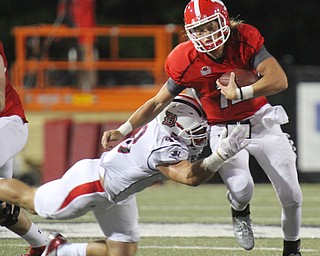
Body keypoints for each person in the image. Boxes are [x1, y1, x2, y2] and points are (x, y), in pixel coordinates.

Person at [100, 1, 303, 255]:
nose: (205, 35)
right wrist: (124, 129)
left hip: (261, 120)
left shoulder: (244, 39)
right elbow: (157, 102)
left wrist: (240, 92)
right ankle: (240, 212)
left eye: (209, 27)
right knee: (242, 189)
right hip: (222, 127)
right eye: (198, 30)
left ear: (224, 22)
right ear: (189, 32)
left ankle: (292, 249)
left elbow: (279, 80)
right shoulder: (184, 58)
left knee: (292, 195)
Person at [0, 94, 248, 256]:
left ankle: (56, 251)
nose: (201, 136)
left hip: (118, 193)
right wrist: (221, 155)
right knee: (33, 202)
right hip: (94, 184)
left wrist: (123, 128)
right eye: (197, 130)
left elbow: (153, 104)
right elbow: (190, 178)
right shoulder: (164, 147)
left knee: (122, 251)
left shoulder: (164, 119)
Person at [0, 41, 48, 256]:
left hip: (7, 123)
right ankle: (44, 245)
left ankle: (54, 202)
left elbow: (0, 100)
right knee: (3, 209)